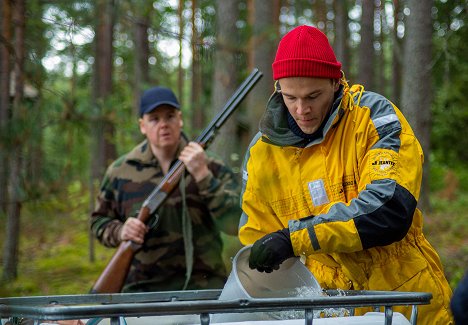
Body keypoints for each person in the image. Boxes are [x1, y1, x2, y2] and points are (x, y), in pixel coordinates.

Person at [238, 25, 453, 324]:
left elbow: (389, 209)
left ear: (336, 82)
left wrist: (294, 238)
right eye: (290, 98)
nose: (302, 110)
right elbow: (257, 243)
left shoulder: (374, 118)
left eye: (313, 95)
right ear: (278, 90)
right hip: (327, 309)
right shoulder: (261, 153)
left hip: (404, 299)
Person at [91, 86, 240, 292]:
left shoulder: (209, 164)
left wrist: (203, 177)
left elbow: (236, 224)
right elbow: (98, 222)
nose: (164, 125)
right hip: (141, 292)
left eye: (170, 116)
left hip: (204, 289)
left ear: (180, 119)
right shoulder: (120, 171)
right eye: (154, 119)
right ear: (142, 125)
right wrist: (120, 231)